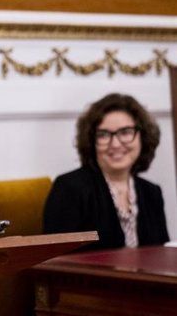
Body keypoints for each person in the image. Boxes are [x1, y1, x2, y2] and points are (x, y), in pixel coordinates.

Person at [43, 93, 169, 250]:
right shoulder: (69, 188)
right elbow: (56, 258)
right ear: (91, 141)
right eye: (103, 135)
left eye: (125, 132)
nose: (115, 144)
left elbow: (161, 254)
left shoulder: (151, 192)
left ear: (142, 137)